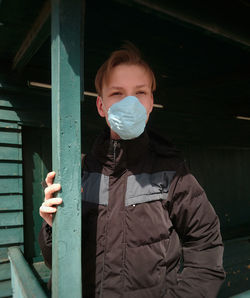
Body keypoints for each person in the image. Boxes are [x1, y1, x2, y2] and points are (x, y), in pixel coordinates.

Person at [39, 44, 225, 297]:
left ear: (150, 103)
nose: (129, 102)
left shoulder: (174, 174)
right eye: (117, 93)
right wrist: (53, 227)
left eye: (139, 92)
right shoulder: (78, 172)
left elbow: (205, 245)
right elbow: (54, 261)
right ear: (101, 106)